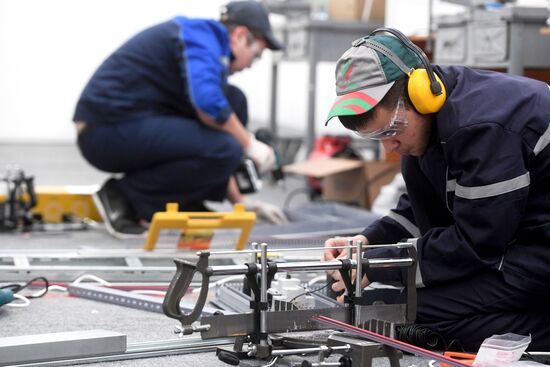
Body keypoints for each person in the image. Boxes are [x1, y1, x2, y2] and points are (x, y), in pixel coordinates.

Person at [323, 28, 550, 351]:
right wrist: (366, 243)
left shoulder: (483, 129)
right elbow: (422, 209)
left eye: (391, 131)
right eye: (377, 138)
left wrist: (381, 264)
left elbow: (477, 242)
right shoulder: (428, 127)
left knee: (413, 312)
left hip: (534, 248)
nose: (389, 147)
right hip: (516, 242)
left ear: (421, 94)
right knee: (394, 301)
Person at [73, 1, 287, 236]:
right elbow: (207, 105)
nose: (250, 66)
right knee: (227, 145)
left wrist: (242, 206)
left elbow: (216, 119)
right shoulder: (202, 36)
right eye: (255, 55)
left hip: (130, 125)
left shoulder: (201, 40)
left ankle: (186, 199)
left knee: (234, 102)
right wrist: (249, 144)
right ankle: (122, 196)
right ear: (239, 35)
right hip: (105, 131)